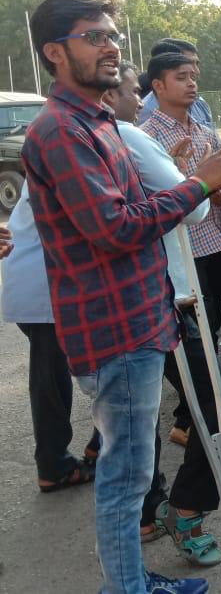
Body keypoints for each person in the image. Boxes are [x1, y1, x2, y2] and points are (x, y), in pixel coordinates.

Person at [23, 0, 221, 594]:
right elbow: (115, 229)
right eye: (93, 36)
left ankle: (132, 582)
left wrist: (204, 181)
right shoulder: (60, 131)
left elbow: (135, 210)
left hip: (142, 312)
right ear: (55, 52)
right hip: (115, 327)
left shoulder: (101, 122)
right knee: (126, 475)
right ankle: (127, 589)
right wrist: (200, 183)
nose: (110, 46)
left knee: (131, 470)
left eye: (112, 35)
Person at [104, 62, 221, 564]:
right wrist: (198, 182)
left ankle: (157, 508)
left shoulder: (96, 135)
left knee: (137, 414)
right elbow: (193, 206)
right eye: (131, 90)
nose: (138, 101)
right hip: (149, 293)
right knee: (200, 394)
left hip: (148, 288)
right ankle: (178, 509)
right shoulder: (131, 136)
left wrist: (191, 180)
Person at [141, 51, 221, 448]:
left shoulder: (203, 131)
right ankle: (187, 419)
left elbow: (217, 183)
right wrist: (195, 181)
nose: (191, 83)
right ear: (158, 85)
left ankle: (213, 401)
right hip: (182, 248)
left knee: (211, 326)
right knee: (187, 333)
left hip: (214, 239)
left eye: (194, 76)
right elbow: (156, 195)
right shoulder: (147, 135)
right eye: (181, 77)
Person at [2, 183, 100, 493]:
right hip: (44, 286)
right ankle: (54, 465)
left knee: (60, 373)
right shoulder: (61, 152)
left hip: (46, 281)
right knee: (51, 380)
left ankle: (96, 444)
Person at [138, 38, 215, 128]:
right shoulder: (144, 113)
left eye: (196, 63)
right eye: (181, 77)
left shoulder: (200, 104)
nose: (196, 71)